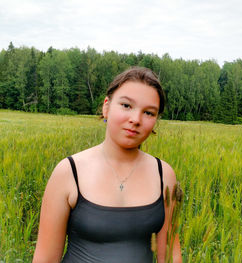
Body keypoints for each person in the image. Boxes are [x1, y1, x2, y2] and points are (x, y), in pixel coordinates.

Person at [33, 67, 182, 263]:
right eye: (126, 105)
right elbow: (45, 259)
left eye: (148, 112)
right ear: (106, 106)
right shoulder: (69, 171)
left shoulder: (164, 174)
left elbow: (170, 255)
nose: (135, 120)